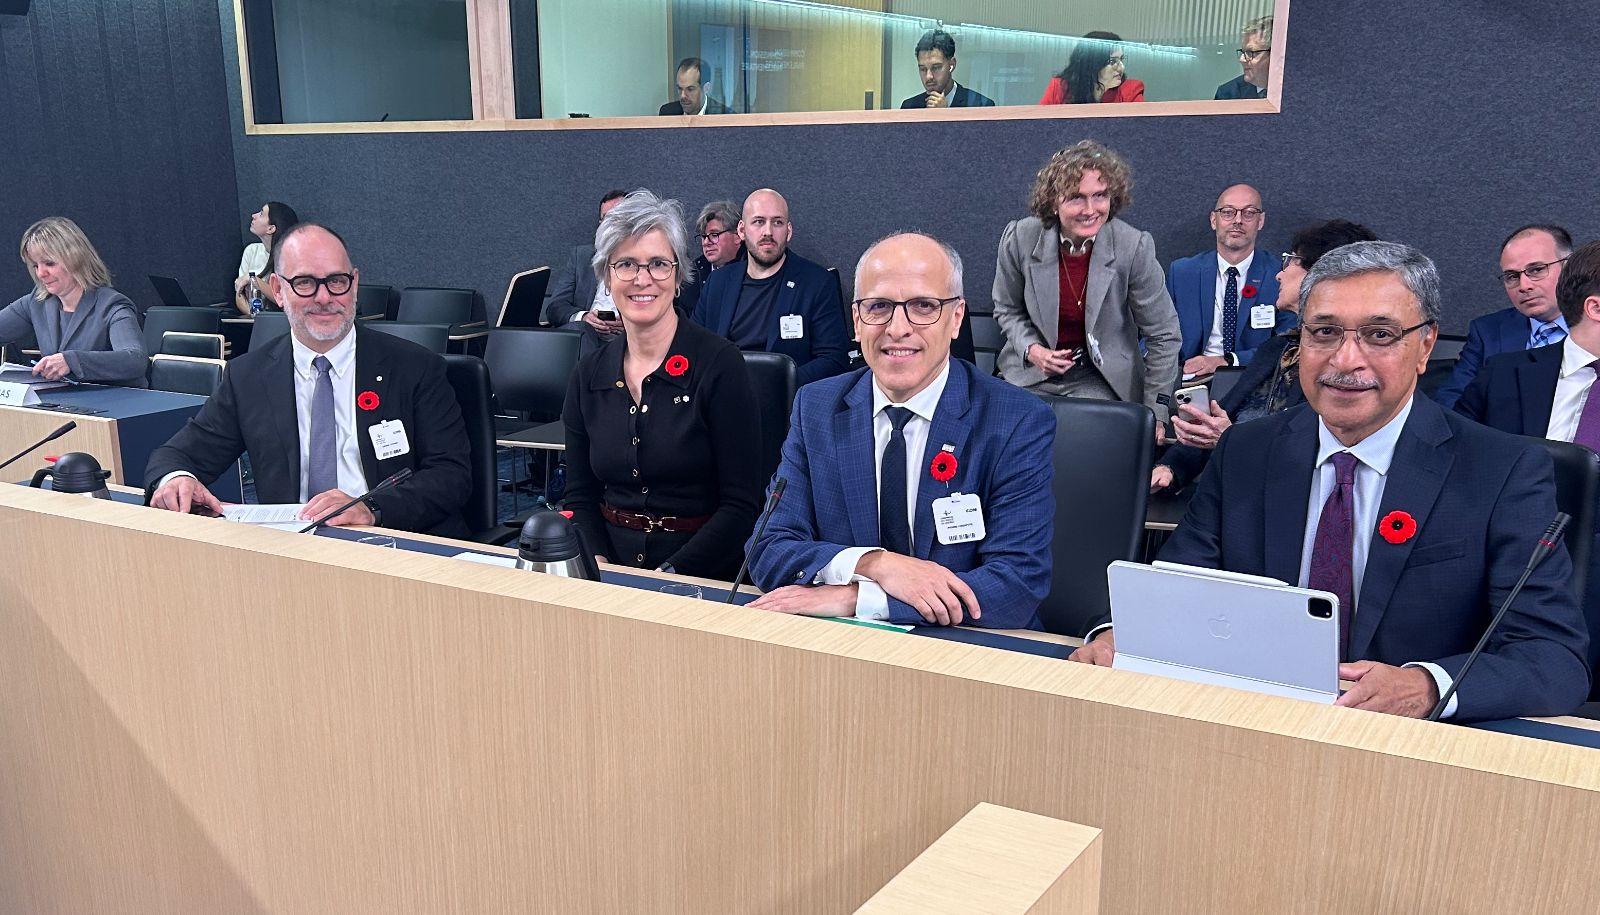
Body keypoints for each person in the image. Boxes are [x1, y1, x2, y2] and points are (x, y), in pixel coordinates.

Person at [1076, 241, 1590, 723]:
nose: (1346, 360)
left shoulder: (1502, 470)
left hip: (1405, 754)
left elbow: (1552, 658)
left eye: (1380, 334)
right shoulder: (1248, 451)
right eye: (1323, 332)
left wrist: (1429, 686)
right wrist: (1118, 635)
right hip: (1255, 725)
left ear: (1425, 345)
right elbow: (1174, 589)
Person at [747, 232, 1053, 629]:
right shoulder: (816, 408)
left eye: (923, 306)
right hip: (840, 657)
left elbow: (1015, 586)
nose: (897, 328)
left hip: (968, 654)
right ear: (857, 321)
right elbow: (768, 548)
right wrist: (876, 564)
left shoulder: (1016, 420)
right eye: (879, 307)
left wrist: (859, 597)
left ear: (956, 318)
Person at [144, 223, 472, 536]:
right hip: (295, 550)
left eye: (337, 281)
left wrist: (371, 508)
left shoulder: (414, 367)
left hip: (395, 544)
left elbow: (451, 476)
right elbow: (178, 455)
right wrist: (176, 479)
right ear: (278, 289)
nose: (324, 297)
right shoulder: (249, 377)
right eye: (304, 283)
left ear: (354, 284)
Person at [562, 190, 762, 580]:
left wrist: (666, 577)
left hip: (702, 574)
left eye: (657, 264)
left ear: (678, 274)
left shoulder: (720, 365)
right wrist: (600, 567)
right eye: (626, 264)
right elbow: (580, 496)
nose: (643, 279)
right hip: (609, 573)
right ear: (606, 274)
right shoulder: (587, 375)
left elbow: (741, 506)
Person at [1153, 219, 1378, 494]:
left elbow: (1317, 453)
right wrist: (1170, 468)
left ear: (1322, 275)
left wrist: (1230, 439)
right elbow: (1221, 417)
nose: (1278, 275)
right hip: (1232, 492)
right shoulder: (1277, 349)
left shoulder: (1349, 366)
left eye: (1291, 261)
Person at [991, 140, 1181, 431]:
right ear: (1054, 201)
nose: (1090, 209)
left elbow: (1164, 334)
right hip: (1029, 373)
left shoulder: (1133, 246)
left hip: (1100, 378)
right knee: (1010, 437)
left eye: (1100, 195)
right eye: (1076, 198)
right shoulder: (1020, 237)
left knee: (1089, 439)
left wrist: (1156, 412)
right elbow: (1006, 308)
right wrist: (1032, 349)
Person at [690, 188, 850, 387]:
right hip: (724, 400)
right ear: (741, 230)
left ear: (788, 231)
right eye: (758, 221)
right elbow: (692, 346)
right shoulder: (718, 283)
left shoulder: (817, 283)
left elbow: (834, 360)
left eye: (777, 222)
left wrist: (777, 385)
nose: (768, 232)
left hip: (786, 406)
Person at [1434, 224, 1573, 409]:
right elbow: (1451, 403)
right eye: (1512, 276)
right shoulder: (1487, 332)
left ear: (1569, 267)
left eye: (1537, 269)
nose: (1524, 285)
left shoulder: (1593, 328)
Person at [1, 216, 147, 387]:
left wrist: (71, 361)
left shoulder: (112, 306)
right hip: (63, 407)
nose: (41, 273)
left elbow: (135, 360)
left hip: (118, 406)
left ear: (76, 258)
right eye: (35, 265)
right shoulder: (37, 302)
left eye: (49, 263)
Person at [1169, 184, 1288, 375]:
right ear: (1213, 220)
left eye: (1249, 213)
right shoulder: (1182, 273)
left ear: (1261, 221)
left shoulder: (1280, 275)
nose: (1238, 220)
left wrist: (1228, 360)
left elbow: (1289, 344)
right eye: (1228, 212)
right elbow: (1156, 335)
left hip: (1254, 378)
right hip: (1191, 375)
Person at [544, 189, 629, 355]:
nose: (612, 224)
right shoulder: (580, 257)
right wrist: (583, 317)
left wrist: (630, 324)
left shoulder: (645, 261)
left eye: (619, 216)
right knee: (581, 330)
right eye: (607, 218)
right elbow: (555, 307)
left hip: (627, 340)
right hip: (584, 338)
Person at [676, 199, 746, 317]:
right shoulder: (691, 276)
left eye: (714, 235)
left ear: (738, 235)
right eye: (703, 236)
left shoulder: (756, 271)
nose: (706, 243)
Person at [231, 201, 299, 315]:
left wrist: (253, 279)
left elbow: (286, 300)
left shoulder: (290, 257)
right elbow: (239, 292)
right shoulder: (251, 251)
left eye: (261, 214)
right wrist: (256, 317)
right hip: (254, 321)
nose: (253, 216)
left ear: (271, 228)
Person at [899, 30, 995, 109]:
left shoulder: (980, 105)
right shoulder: (909, 107)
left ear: (952, 65)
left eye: (936, 68)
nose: (929, 76)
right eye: (923, 69)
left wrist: (946, 115)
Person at [1039, 32, 1144, 104]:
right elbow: (1039, 128)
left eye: (1121, 59)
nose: (1122, 67)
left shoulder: (1130, 91)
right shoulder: (1059, 88)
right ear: (1092, 64)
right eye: (1113, 62)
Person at [1215, 17, 1272, 100]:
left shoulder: (1294, 88)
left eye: (1251, 52)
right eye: (1243, 52)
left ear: (1274, 54)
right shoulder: (1228, 94)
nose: (1241, 59)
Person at [657, 58, 732, 116]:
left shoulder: (724, 116)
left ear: (706, 88)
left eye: (690, 89)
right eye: (679, 89)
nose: (683, 96)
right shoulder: (667, 112)